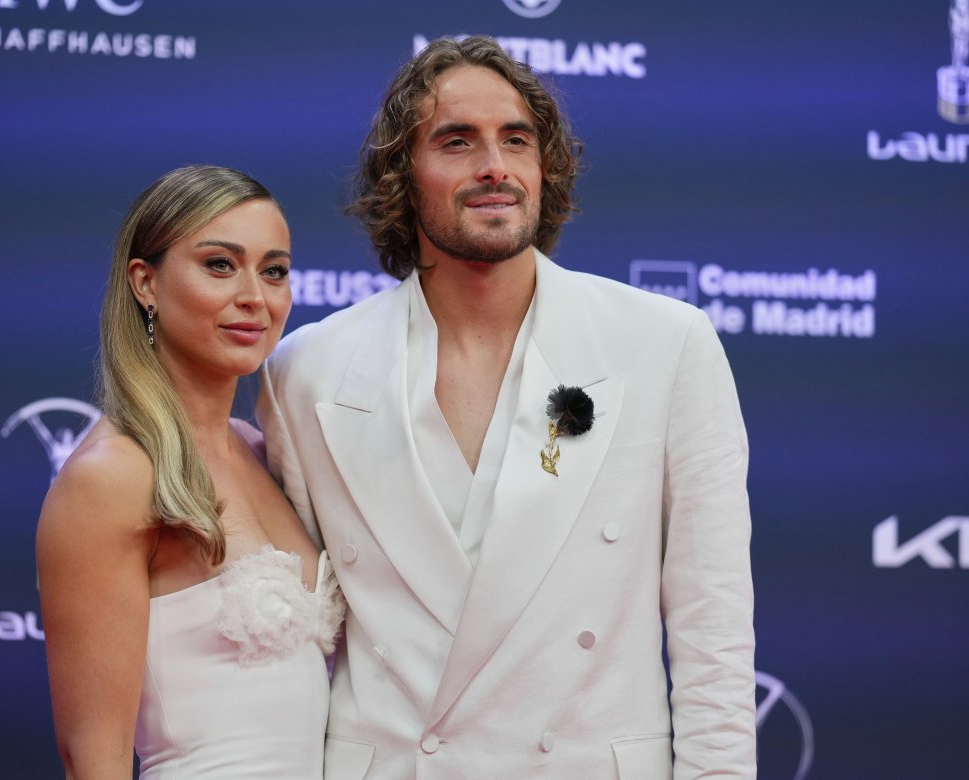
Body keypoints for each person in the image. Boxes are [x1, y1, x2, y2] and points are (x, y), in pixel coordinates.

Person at [257, 36, 755, 779]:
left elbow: (714, 633)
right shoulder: (306, 372)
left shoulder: (665, 344)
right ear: (402, 175)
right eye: (457, 141)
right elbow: (300, 651)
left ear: (543, 167)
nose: (494, 165)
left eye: (516, 140)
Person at [37, 165, 343, 779]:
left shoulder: (257, 449)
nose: (255, 297)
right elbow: (92, 759)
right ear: (145, 283)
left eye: (274, 271)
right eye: (220, 265)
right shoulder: (112, 476)